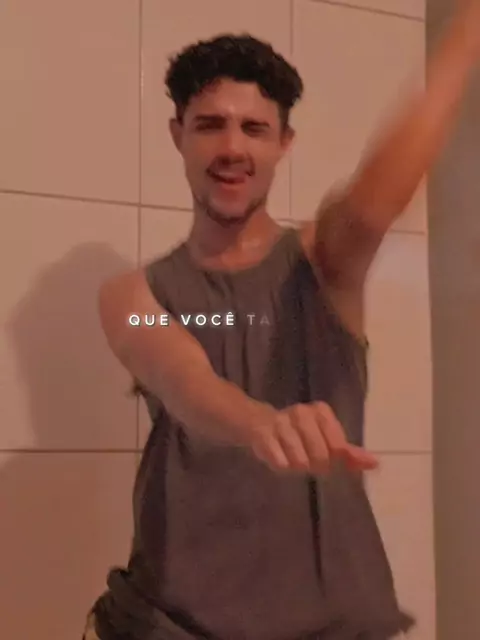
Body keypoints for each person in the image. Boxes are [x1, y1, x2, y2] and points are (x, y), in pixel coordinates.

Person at [83, 2, 480, 638]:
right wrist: (260, 423)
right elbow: (183, 380)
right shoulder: (134, 297)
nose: (232, 147)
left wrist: (467, 32)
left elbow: (378, 195)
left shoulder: (324, 263)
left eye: (254, 128)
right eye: (209, 125)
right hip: (168, 624)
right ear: (177, 134)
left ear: (283, 144)